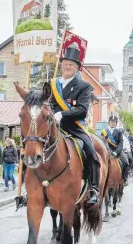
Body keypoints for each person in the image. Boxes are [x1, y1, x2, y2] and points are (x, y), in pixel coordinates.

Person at [51, 45, 100, 206]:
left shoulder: (83, 86)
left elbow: (82, 110)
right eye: (65, 63)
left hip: (74, 127)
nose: (67, 66)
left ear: (77, 67)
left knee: (91, 151)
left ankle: (94, 189)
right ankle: (28, 189)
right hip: (53, 126)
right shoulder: (52, 84)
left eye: (71, 64)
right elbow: (47, 103)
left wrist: (62, 114)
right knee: (32, 145)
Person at [101, 115, 130, 185]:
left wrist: (116, 152)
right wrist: (108, 151)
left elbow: (120, 143)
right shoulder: (104, 132)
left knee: (126, 162)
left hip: (117, 151)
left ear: (116, 123)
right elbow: (103, 142)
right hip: (107, 151)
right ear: (109, 122)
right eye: (111, 122)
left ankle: (124, 178)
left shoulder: (119, 132)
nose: (113, 123)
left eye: (114, 122)